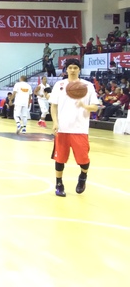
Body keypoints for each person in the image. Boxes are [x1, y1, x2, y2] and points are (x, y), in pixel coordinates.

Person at [49, 58, 100, 197]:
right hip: (62, 129)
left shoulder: (88, 86)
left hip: (80, 129)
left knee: (83, 160)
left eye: (75, 68)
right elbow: (53, 106)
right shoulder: (59, 85)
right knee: (60, 159)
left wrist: (85, 106)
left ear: (79, 70)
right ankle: (59, 184)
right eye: (70, 67)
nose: (72, 70)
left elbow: (95, 107)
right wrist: (55, 122)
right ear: (66, 69)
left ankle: (83, 177)